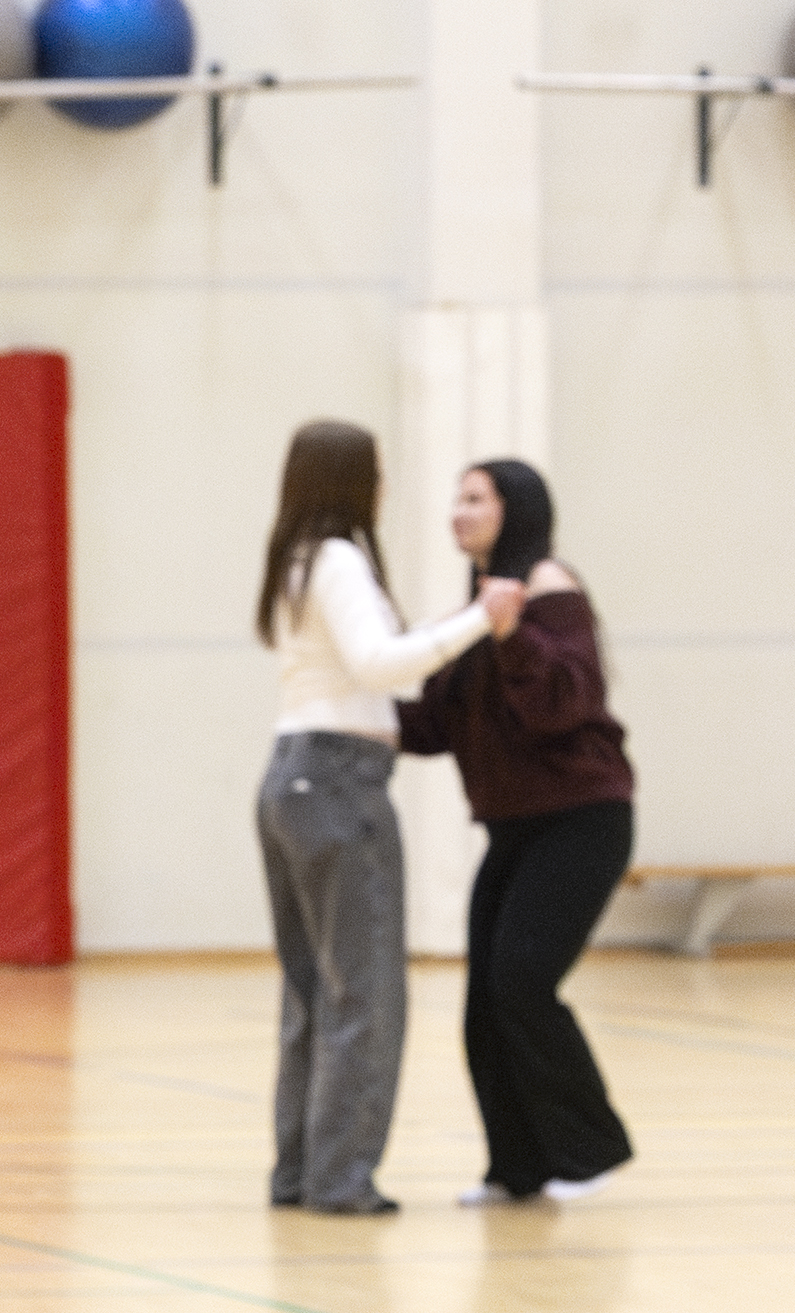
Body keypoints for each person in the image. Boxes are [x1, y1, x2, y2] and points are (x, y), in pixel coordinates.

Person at [250, 420, 514, 1217]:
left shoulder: (295, 558)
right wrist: (478, 620)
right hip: (337, 781)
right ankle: (340, 1178)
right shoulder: (337, 558)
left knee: (310, 991)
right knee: (364, 992)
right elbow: (378, 665)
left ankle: (300, 1171)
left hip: (289, 778)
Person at [405, 459, 639, 1205]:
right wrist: (353, 715)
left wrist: (509, 632)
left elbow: (565, 702)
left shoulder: (546, 586)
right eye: (457, 497)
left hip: (581, 820)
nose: (458, 511)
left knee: (525, 982)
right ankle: (518, 1167)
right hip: (514, 829)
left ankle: (589, 1152)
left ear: (517, 510)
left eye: (476, 498)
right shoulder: (485, 604)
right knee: (485, 1001)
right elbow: (441, 718)